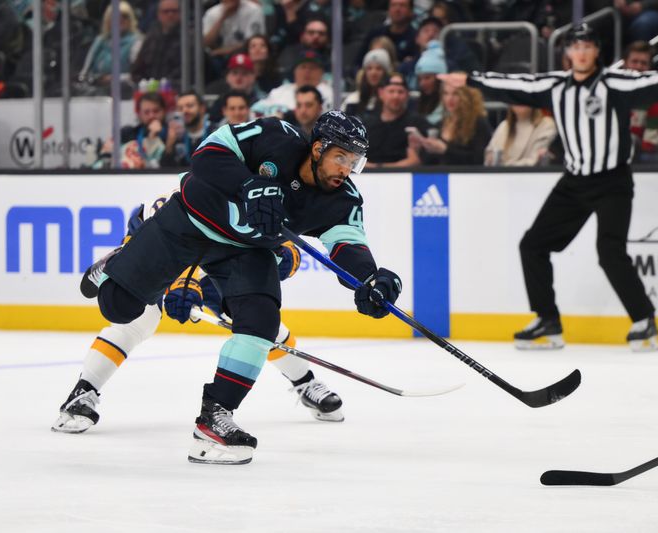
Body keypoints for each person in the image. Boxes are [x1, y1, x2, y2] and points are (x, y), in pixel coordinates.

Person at [89, 110, 402, 464]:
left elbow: (348, 245)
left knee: (261, 323)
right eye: (341, 157)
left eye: (354, 161)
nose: (346, 169)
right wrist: (248, 184)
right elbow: (206, 154)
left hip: (246, 250)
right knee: (118, 306)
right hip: (188, 224)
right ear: (318, 149)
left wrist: (370, 279)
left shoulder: (342, 199)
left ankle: (213, 421)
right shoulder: (275, 136)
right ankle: (117, 263)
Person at [440, 23, 658, 352]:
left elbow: (651, 83)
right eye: (575, 47)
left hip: (612, 180)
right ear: (568, 53)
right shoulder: (556, 85)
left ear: (596, 51)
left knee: (609, 252)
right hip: (574, 181)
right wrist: (472, 79)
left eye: (587, 46)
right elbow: (516, 85)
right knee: (532, 245)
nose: (581, 52)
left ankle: (644, 321)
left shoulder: (614, 82)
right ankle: (548, 321)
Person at [53, 195, 344, 434]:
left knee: (258, 325)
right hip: (161, 249)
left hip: (214, 264)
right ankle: (82, 392)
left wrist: (281, 258)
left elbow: (287, 253)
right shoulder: (203, 191)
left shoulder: (262, 197)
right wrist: (182, 284)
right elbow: (175, 242)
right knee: (139, 319)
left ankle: (305, 382)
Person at [412, 82, 492, 166]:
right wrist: (419, 149)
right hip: (441, 176)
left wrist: (446, 150)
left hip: (466, 177)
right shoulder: (441, 124)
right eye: (446, 93)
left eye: (455, 94)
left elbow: (479, 160)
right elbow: (430, 162)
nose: (449, 99)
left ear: (466, 96)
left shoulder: (478, 124)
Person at [362, 73, 428, 168]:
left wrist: (379, 168)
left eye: (400, 92)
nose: (396, 96)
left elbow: (416, 161)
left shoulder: (417, 124)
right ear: (381, 93)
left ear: (407, 95)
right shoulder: (366, 124)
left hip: (404, 178)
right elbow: (354, 159)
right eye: (391, 91)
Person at [76, 0, 141, 95]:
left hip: (124, 92)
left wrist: (114, 78)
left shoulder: (136, 42)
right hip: (96, 89)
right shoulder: (100, 41)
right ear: (108, 20)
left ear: (130, 19)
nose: (120, 20)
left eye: (124, 16)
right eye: (116, 16)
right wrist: (95, 79)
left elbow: (137, 75)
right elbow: (84, 73)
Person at [252, 49, 333, 117]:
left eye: (312, 68)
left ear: (322, 73)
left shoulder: (331, 95)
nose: (307, 71)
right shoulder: (279, 92)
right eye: (303, 67)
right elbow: (255, 111)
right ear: (294, 71)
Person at [130, 0, 183, 90]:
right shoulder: (151, 37)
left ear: (181, 13)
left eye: (174, 11)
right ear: (159, 14)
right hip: (148, 91)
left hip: (176, 90)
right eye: (166, 11)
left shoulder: (188, 38)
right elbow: (137, 69)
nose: (170, 14)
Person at [483, 104, 557, 166]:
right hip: (500, 179)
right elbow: (489, 158)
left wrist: (504, 165)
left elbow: (534, 161)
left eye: (524, 96)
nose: (519, 100)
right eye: (516, 96)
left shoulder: (546, 124)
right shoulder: (504, 126)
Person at [206, 53, 266, 123]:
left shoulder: (263, 101)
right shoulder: (219, 103)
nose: (238, 78)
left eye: (244, 73)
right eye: (235, 73)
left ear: (253, 77)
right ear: (227, 77)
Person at [160, 91, 213, 168]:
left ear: (202, 108)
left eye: (190, 106)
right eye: (180, 108)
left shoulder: (215, 133)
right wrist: (169, 144)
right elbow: (164, 170)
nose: (184, 111)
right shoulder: (175, 136)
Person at [342, 49, 391, 117]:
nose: (373, 73)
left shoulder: (391, 100)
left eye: (378, 68)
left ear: (385, 73)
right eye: (369, 68)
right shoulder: (353, 99)